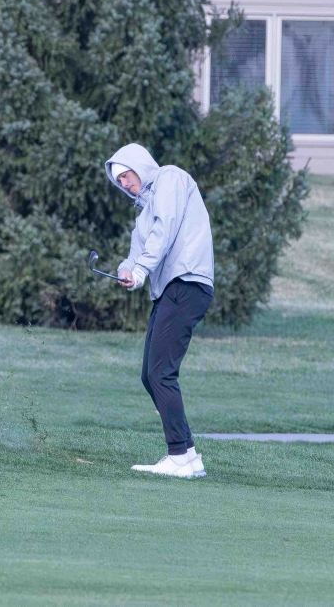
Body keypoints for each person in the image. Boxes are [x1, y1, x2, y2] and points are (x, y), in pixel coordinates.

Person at [105, 143, 215, 479]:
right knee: (149, 375)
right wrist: (128, 270)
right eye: (119, 179)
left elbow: (165, 230)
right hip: (171, 290)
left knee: (161, 373)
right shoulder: (142, 215)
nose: (125, 183)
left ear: (140, 166)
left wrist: (140, 271)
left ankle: (178, 454)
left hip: (187, 282)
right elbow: (138, 251)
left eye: (127, 175)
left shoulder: (171, 178)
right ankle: (189, 456)